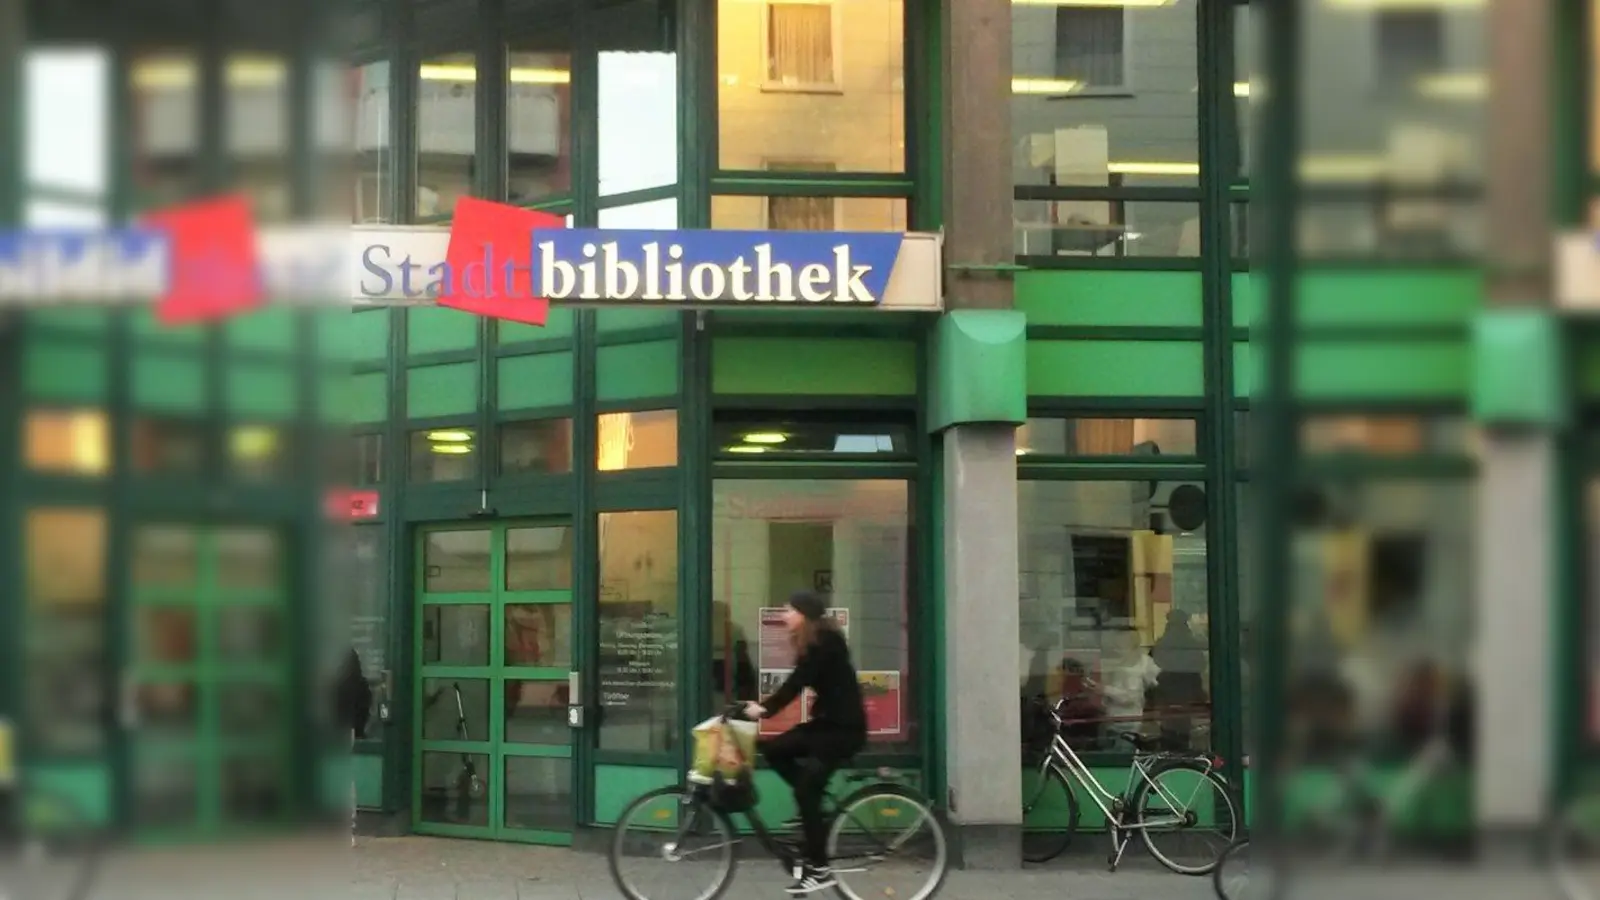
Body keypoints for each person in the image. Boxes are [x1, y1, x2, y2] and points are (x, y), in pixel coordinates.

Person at [743, 591, 866, 895]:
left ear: (804, 614)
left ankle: (820, 869)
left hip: (842, 731)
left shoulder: (825, 643)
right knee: (774, 751)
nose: (784, 615)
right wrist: (762, 708)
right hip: (827, 726)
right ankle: (812, 806)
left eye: (789, 610)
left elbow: (797, 683)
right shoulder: (814, 642)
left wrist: (765, 709)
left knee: (805, 791)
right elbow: (798, 680)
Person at [333, 647, 374, 847]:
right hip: (352, 732)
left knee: (341, 775)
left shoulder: (338, 684)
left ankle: (341, 815)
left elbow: (332, 708)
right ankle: (351, 818)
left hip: (338, 732)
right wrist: (360, 729)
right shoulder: (362, 684)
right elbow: (365, 709)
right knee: (350, 776)